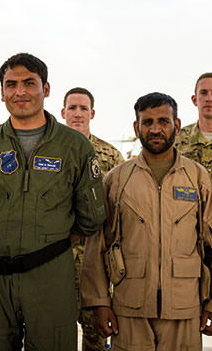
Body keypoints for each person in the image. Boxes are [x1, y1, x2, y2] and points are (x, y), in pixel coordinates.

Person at [0, 52, 106, 351]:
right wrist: (0, 239)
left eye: (29, 83)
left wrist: (51, 241)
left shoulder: (74, 146)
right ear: (1, 93)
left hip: (51, 272)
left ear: (45, 89)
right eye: (11, 84)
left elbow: (91, 214)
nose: (20, 92)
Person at [80, 92, 212, 350]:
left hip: (184, 310)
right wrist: (100, 303)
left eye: (163, 121)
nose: (155, 129)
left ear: (177, 126)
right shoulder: (117, 180)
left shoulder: (197, 178)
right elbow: (97, 246)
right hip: (130, 310)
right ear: (136, 128)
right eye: (147, 123)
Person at [61, 86, 125, 351]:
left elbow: (119, 212)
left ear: (92, 113)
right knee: (55, 335)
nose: (78, 114)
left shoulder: (110, 157)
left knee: (96, 338)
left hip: (94, 264)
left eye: (83, 108)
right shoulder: (47, 151)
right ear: (63, 112)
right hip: (57, 261)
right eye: (73, 108)